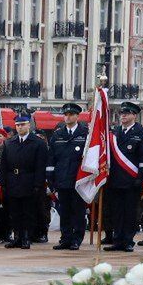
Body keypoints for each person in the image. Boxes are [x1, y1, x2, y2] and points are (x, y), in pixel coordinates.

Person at [105, 101, 143, 253]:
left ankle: (128, 241)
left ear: (134, 115)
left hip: (131, 180)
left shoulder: (141, 133)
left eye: (126, 113)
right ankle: (117, 240)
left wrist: (139, 177)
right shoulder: (115, 133)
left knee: (130, 213)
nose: (122, 115)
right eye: (121, 113)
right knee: (116, 212)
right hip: (115, 180)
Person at [0, 111, 48, 249]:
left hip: (29, 180)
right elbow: (4, 165)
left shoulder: (38, 143)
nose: (20, 127)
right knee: (14, 212)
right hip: (13, 181)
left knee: (28, 212)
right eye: (17, 125)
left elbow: (41, 166)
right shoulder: (9, 143)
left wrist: (38, 184)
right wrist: (3, 182)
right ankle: (17, 237)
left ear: (29, 125)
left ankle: (26, 237)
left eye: (22, 124)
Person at [48, 103, 89, 251]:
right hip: (62, 179)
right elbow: (52, 159)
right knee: (64, 212)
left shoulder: (85, 134)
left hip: (78, 181)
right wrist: (51, 179)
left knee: (78, 212)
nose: (68, 117)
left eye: (71, 114)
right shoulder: (58, 134)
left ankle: (76, 239)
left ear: (77, 116)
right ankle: (65, 238)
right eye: (66, 114)